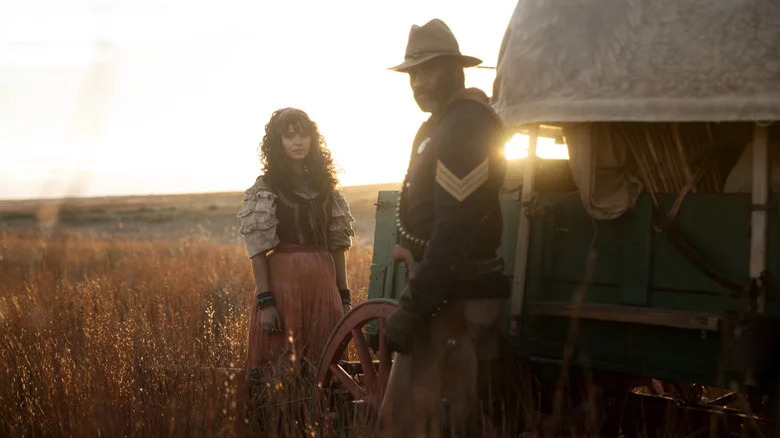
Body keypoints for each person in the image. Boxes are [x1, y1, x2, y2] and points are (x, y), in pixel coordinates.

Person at [380, 19, 510, 436]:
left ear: (457, 69)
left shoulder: (467, 126)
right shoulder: (440, 125)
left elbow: (454, 229)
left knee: (440, 425)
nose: (418, 81)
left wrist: (414, 305)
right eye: (413, 73)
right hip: (441, 295)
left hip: (456, 303)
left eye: (429, 69)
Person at [238, 108, 355, 382]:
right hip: (284, 290)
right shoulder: (266, 187)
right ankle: (280, 422)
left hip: (323, 289)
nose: (298, 142)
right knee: (281, 371)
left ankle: (323, 421)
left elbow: (338, 249)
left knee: (326, 367)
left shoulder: (327, 188)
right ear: (277, 143)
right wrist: (267, 304)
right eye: (289, 136)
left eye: (303, 135)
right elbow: (257, 252)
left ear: (314, 140)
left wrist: (343, 298)